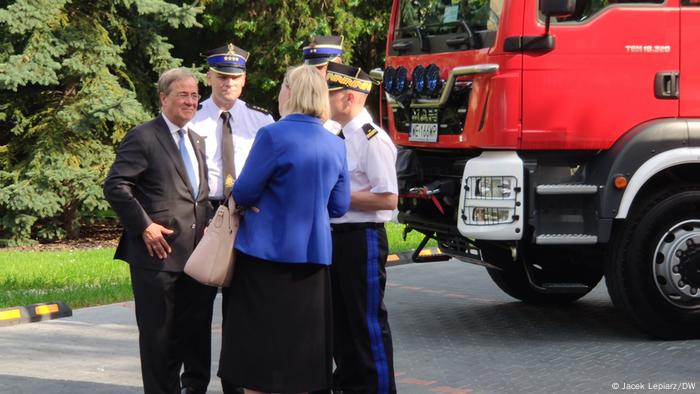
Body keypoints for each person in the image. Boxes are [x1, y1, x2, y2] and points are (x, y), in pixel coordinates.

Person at [218, 65, 351, 394]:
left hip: (265, 258)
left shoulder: (273, 134)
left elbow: (245, 191)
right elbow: (339, 206)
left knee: (259, 360)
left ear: (289, 93)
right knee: (301, 358)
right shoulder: (335, 143)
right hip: (313, 262)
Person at [103, 68, 212, 394]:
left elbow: (196, 195)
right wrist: (145, 226)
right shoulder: (144, 136)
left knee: (195, 336)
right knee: (160, 341)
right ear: (163, 97)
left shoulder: (195, 139)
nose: (191, 101)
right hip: (158, 258)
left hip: (196, 259)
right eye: (183, 94)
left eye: (194, 95)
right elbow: (116, 186)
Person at [187, 42, 274, 394]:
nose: (228, 83)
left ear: (244, 80)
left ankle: (236, 383)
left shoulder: (262, 121)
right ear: (209, 76)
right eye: (222, 76)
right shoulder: (191, 116)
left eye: (235, 77)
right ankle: (193, 383)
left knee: (242, 311)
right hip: (204, 213)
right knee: (196, 310)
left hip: (247, 217)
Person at [326, 62, 399, 394]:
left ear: (348, 98)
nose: (324, 101)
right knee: (340, 322)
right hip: (335, 238)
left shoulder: (372, 138)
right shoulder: (334, 134)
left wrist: (339, 197)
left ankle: (379, 388)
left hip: (361, 238)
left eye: (330, 95)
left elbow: (387, 199)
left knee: (365, 323)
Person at [301, 35, 344, 135]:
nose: (313, 74)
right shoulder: (301, 98)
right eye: (310, 69)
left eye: (320, 68)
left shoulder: (347, 100)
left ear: (337, 64)